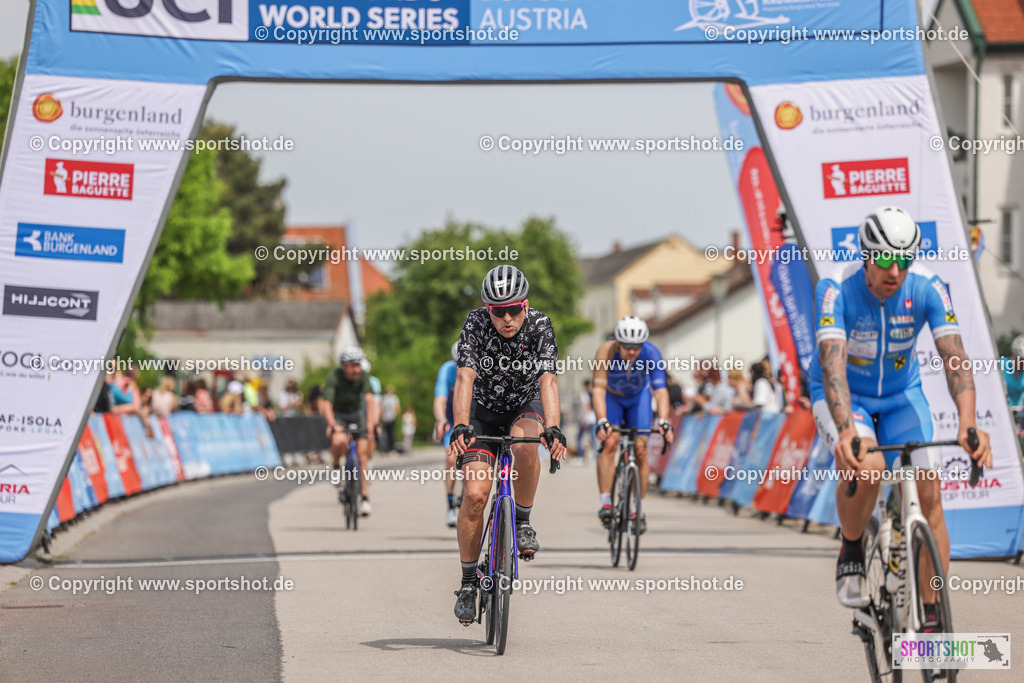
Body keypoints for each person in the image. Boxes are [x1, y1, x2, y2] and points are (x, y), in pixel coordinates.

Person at [808, 206, 991, 628]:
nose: (895, 271)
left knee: (930, 499)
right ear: (866, 255)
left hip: (901, 395)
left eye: (904, 260)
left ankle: (932, 614)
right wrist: (846, 430)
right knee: (869, 466)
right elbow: (832, 366)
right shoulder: (835, 288)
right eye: (886, 259)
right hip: (844, 395)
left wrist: (968, 422)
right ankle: (852, 547)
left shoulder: (928, 286)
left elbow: (955, 357)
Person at [448, 265, 568, 624]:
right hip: (482, 411)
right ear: (488, 310)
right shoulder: (475, 323)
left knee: (526, 444)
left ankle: (522, 520)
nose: (507, 318)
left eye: (514, 309)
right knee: (475, 496)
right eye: (498, 311)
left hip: (523, 404)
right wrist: (460, 425)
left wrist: (553, 427)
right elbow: (465, 377)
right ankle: (468, 583)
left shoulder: (540, 325)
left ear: (525, 305)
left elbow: (548, 380)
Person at [592, 316, 675, 534]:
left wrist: (664, 420)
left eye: (637, 347)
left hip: (639, 399)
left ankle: (639, 508)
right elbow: (598, 390)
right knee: (610, 442)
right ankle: (606, 502)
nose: (632, 351)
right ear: (618, 342)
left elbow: (660, 391)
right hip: (613, 398)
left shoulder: (651, 353)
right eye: (627, 346)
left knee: (640, 450)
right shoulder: (605, 351)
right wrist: (602, 420)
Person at [321, 347, 378, 517]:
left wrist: (371, 424)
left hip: (356, 413)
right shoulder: (334, 376)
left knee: (362, 454)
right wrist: (332, 424)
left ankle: (365, 497)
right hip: (339, 414)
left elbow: (369, 400)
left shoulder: (363, 376)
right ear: (344, 366)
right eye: (353, 366)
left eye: (358, 365)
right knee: (338, 440)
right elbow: (327, 404)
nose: (357, 370)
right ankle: (336, 466)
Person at [434, 341, 460, 528]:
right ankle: (450, 506)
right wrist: (441, 419)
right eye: (457, 363)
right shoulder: (447, 370)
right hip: (452, 420)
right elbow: (440, 399)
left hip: (474, 419)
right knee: (451, 460)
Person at [1002, 334, 1024, 407]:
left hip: (1019, 411)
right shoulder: (1000, 365)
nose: (1021, 362)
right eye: (1019, 359)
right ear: (1012, 353)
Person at [381, 385, 401, 453]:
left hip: (392, 417)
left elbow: (397, 407)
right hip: (385, 418)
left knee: (391, 433)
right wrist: (382, 416)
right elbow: (382, 408)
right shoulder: (384, 398)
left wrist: (395, 414)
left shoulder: (394, 398)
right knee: (385, 433)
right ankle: (386, 448)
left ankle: (391, 447)